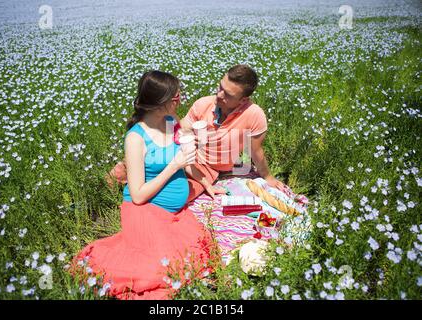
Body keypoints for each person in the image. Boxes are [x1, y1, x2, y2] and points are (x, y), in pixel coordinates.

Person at [71, 71, 216, 300]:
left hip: (175, 213)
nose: (181, 100)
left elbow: (185, 162)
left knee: (193, 253)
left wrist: (206, 182)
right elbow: (138, 195)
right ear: (161, 103)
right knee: (160, 269)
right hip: (146, 210)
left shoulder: (171, 122)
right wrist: (173, 165)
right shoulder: (136, 138)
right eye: (177, 97)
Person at [180, 64, 287, 201]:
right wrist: (186, 136)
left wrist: (268, 177)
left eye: (227, 95)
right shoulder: (203, 104)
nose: (219, 95)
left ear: (243, 100)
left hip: (209, 169)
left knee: (180, 196)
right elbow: (181, 128)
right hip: (189, 158)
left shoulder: (254, 115)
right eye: (220, 87)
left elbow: (256, 151)